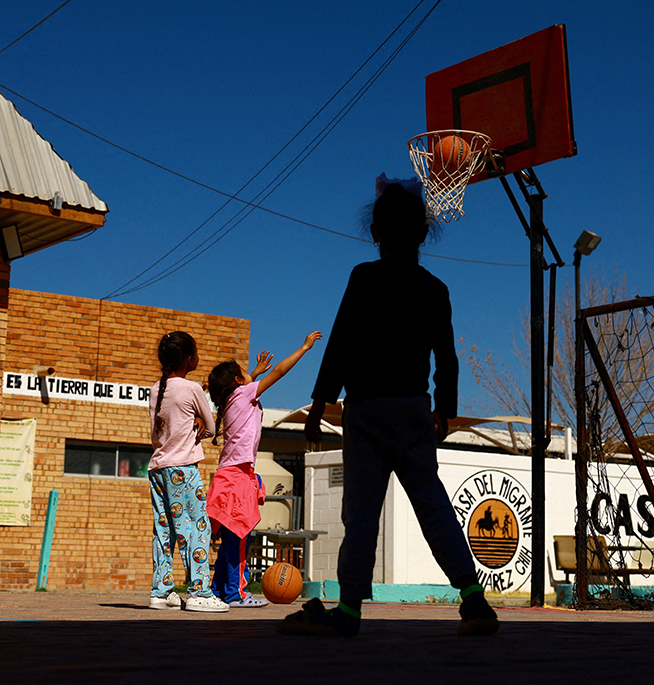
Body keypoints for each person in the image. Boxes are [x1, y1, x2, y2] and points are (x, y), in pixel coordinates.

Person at [279, 180, 498, 637]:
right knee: (434, 507)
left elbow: (339, 344)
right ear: (423, 235)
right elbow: (447, 357)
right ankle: (474, 600)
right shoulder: (435, 289)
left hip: (367, 409)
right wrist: (446, 410)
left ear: (376, 234)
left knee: (361, 514)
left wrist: (319, 404)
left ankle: (350, 610)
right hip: (414, 408)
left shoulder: (364, 277)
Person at [206, 332, 322, 608]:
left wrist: (254, 372)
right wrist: (304, 347)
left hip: (229, 476)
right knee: (240, 539)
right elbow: (280, 371)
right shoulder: (244, 393)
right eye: (245, 373)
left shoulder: (231, 399)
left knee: (231, 539)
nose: (251, 376)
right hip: (237, 478)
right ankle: (237, 594)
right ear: (237, 382)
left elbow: (247, 386)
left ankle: (219, 590)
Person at [147, 331, 230, 612]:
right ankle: (199, 593)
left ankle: (161, 592)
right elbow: (211, 427)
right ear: (187, 359)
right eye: (196, 352)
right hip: (183, 469)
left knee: (164, 531)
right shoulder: (192, 387)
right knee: (196, 528)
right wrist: (198, 423)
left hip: (157, 468)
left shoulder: (155, 389)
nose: (199, 357)